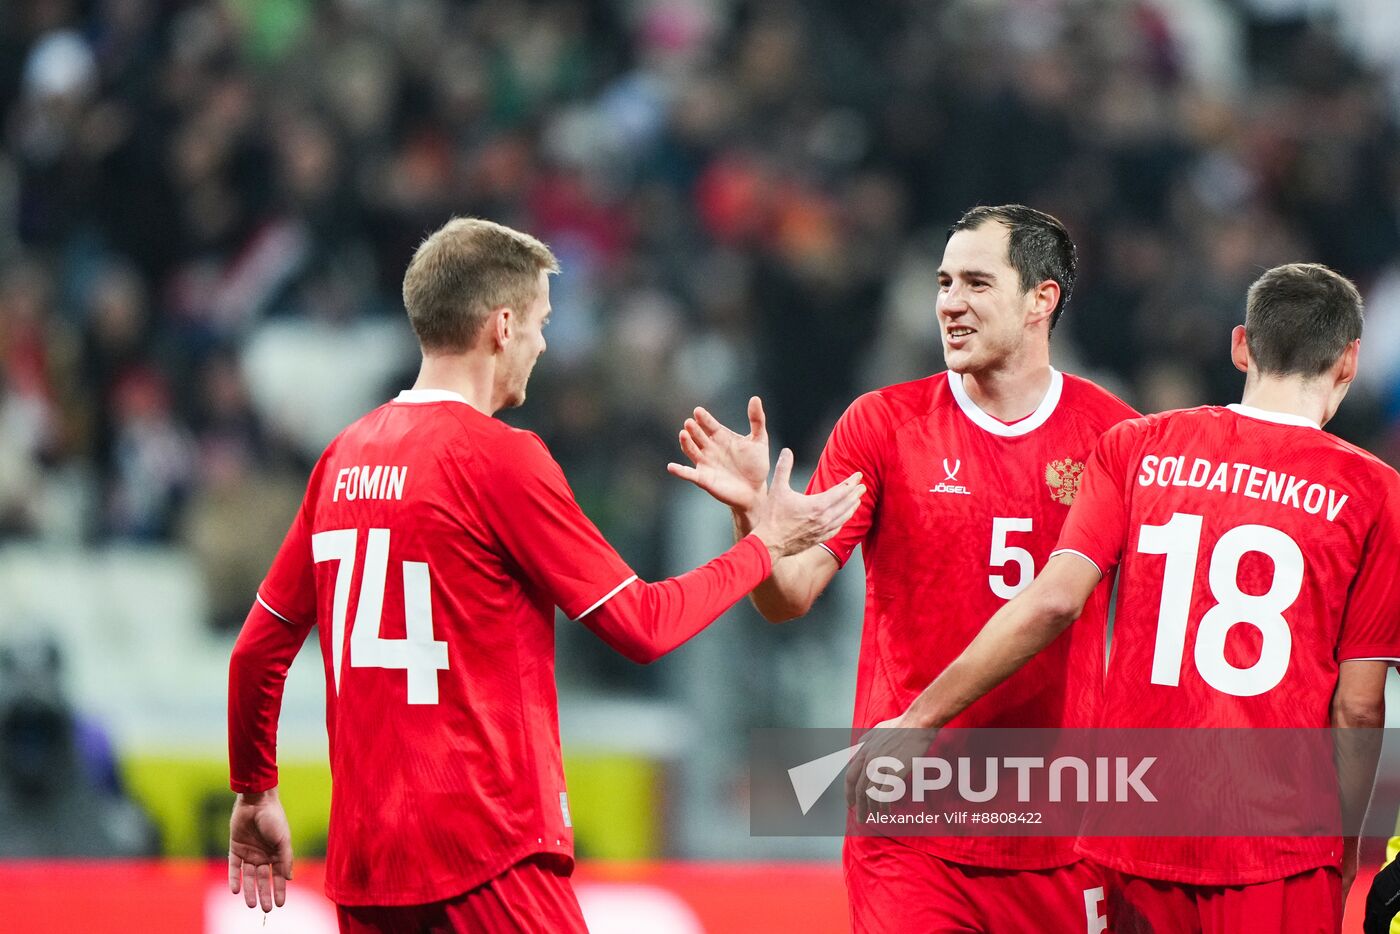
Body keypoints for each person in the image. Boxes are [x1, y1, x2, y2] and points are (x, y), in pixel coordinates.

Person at [224, 217, 865, 931]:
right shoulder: (500, 458)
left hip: (369, 870)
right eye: (539, 322)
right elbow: (644, 626)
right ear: (502, 325)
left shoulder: (341, 460)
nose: (543, 343)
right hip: (489, 855)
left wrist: (255, 791)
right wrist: (761, 548)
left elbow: (258, 649)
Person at [860, 262, 1400, 932]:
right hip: (1277, 843)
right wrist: (1344, 846)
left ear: (1241, 346)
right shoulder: (1374, 495)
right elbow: (1358, 703)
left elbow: (1053, 601)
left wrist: (919, 721)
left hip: (1137, 831)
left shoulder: (1138, 447)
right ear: (1349, 361)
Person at [671, 205, 1139, 932]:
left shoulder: (1113, 436)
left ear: (1040, 299)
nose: (950, 302)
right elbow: (789, 598)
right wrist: (751, 521)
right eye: (944, 282)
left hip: (1060, 829)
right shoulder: (881, 425)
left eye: (978, 283)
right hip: (912, 825)